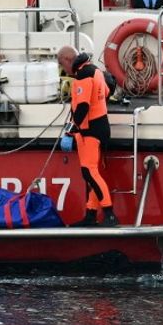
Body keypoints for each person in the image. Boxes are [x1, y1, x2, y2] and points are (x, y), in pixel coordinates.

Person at [57, 45, 119, 227]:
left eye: (62, 65)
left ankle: (109, 214)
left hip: (90, 131)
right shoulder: (95, 70)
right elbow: (106, 93)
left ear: (68, 60)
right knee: (92, 172)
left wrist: (73, 128)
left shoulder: (83, 76)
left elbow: (82, 107)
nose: (64, 70)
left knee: (89, 172)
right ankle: (91, 214)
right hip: (100, 127)